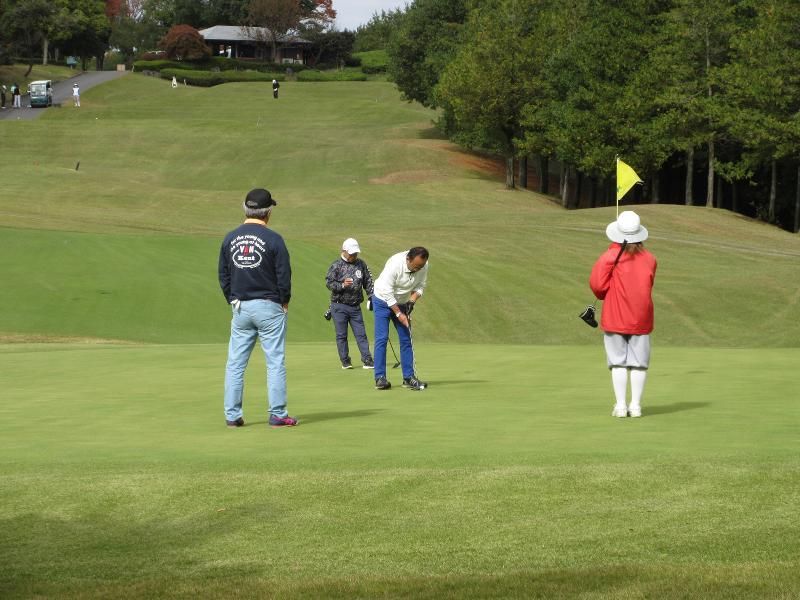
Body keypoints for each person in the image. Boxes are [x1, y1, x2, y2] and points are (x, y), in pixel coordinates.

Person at [218, 188, 298, 428]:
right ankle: (277, 414)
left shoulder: (230, 238)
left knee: (235, 363)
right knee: (274, 361)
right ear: (268, 212)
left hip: (240, 306)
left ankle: (232, 416)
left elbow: (223, 274)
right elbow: (284, 275)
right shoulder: (274, 239)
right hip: (269, 306)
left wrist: (232, 299)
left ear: (245, 208)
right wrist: (284, 300)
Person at [589, 211, 657, 418]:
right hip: (641, 317)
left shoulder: (610, 256)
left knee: (617, 361)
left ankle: (620, 406)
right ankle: (635, 406)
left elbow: (598, 286)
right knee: (639, 363)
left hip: (615, 316)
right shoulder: (651, 259)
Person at [371, 247, 430, 390]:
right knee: (382, 338)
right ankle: (380, 378)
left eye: (421, 266)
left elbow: (421, 285)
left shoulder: (423, 264)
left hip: (402, 301)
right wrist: (399, 314)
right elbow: (387, 292)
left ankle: (408, 378)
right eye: (416, 266)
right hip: (382, 299)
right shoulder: (395, 264)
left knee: (406, 338)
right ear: (408, 259)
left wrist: (412, 301)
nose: (418, 269)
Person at [325, 238, 375, 369]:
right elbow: (329, 283)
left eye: (356, 253)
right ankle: (345, 361)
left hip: (355, 307)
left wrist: (371, 296)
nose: (354, 256)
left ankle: (367, 359)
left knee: (361, 334)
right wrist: (342, 285)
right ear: (344, 251)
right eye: (352, 253)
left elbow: (368, 281)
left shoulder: (361, 264)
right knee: (341, 335)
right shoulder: (336, 265)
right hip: (338, 305)